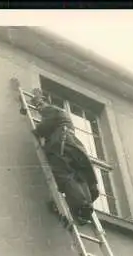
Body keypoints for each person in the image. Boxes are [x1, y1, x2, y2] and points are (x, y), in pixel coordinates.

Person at [30, 91, 99, 225]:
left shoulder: (51, 110)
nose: (39, 108)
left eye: (39, 105)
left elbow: (46, 126)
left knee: (63, 173)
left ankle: (81, 206)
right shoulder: (62, 115)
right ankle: (84, 207)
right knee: (78, 176)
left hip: (62, 143)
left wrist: (36, 131)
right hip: (74, 145)